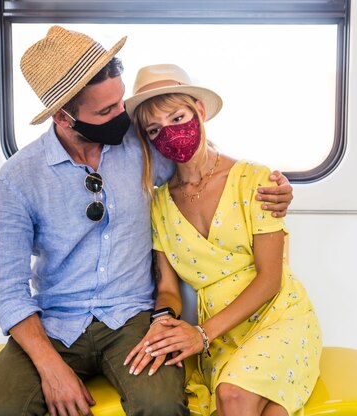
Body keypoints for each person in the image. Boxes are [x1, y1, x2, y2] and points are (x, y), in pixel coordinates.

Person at [0, 27, 294, 416]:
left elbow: (200, 160)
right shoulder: (18, 178)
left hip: (131, 319)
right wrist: (50, 367)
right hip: (54, 324)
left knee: (162, 405)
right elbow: (8, 290)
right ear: (63, 117)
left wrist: (278, 186)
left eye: (120, 102)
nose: (121, 118)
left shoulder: (143, 146)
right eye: (106, 111)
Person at [123, 64, 322, 416]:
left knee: (232, 396)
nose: (169, 133)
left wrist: (200, 335)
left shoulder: (255, 180)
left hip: (276, 317)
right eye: (155, 129)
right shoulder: (159, 204)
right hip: (222, 335)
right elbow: (167, 287)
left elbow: (270, 277)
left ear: (199, 111)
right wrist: (163, 321)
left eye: (177, 118)